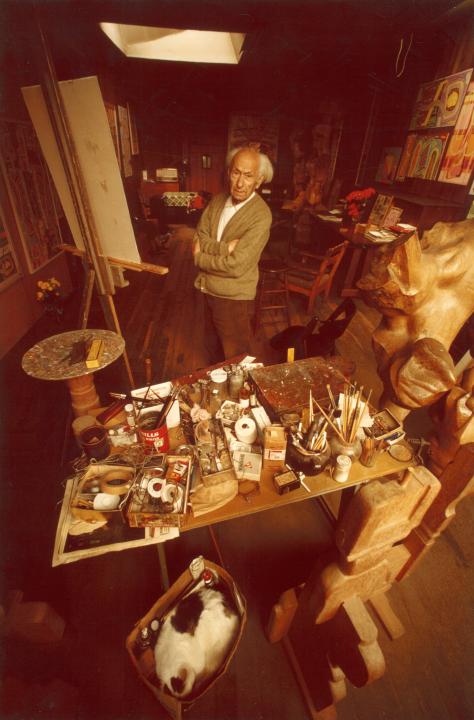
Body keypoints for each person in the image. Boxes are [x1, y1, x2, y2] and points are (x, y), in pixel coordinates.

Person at [192, 146, 273, 363]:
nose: (239, 183)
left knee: (236, 360)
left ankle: (237, 397)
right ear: (229, 172)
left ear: (259, 180)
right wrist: (224, 248)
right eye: (236, 172)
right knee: (211, 352)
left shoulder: (261, 215)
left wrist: (200, 258)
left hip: (233, 298)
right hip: (205, 289)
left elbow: (236, 265)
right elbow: (199, 237)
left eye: (248, 176)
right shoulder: (218, 201)